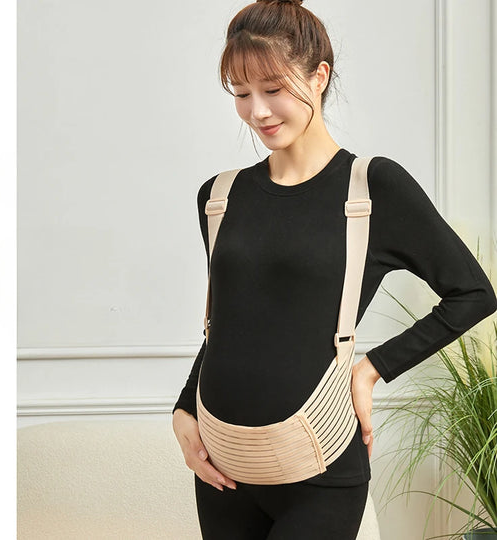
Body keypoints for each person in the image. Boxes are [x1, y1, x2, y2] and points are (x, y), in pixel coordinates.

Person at [171, 0, 497, 538]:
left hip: (320, 470)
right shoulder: (219, 198)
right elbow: (227, 324)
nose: (258, 111)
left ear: (318, 76)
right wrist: (184, 409)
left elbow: (473, 293)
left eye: (273, 88)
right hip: (222, 466)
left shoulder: (372, 188)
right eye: (242, 93)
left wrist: (371, 370)